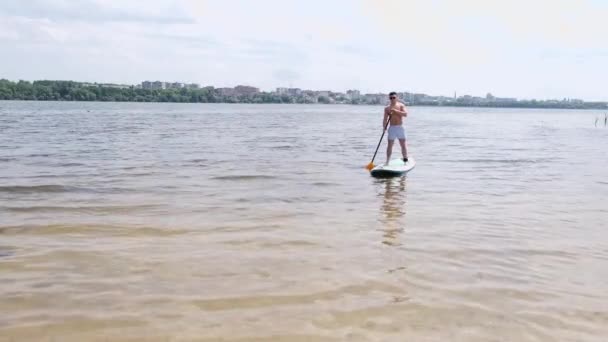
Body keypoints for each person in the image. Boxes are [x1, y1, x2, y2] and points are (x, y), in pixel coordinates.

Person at [383, 92, 408, 165]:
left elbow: (405, 114)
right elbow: (385, 119)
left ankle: (405, 160)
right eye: (391, 98)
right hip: (392, 128)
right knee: (390, 145)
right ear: (389, 98)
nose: (392, 99)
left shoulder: (401, 105)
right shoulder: (387, 108)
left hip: (400, 127)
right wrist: (384, 127)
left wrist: (395, 111)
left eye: (394, 97)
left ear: (396, 98)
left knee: (403, 144)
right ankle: (387, 161)